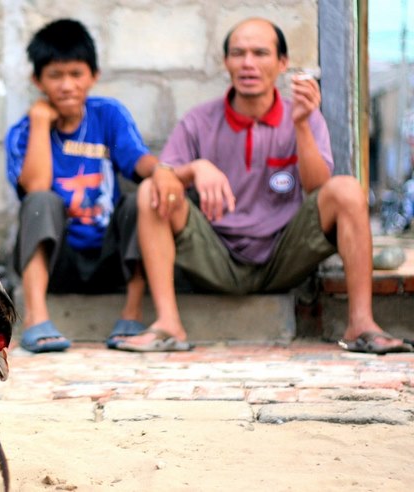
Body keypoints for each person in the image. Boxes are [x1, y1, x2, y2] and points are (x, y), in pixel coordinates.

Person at [113, 17, 414, 354]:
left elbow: (318, 188)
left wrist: (301, 126)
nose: (248, 63)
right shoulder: (199, 120)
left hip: (283, 255)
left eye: (260, 53)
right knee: (150, 193)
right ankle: (168, 324)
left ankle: (361, 324)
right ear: (225, 62)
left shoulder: (304, 116)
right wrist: (195, 169)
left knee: (346, 189)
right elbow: (162, 175)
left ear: (282, 63)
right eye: (238, 53)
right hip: (215, 256)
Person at [5, 18, 172, 353]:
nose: (67, 85)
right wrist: (40, 122)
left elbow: (135, 160)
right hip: (58, 260)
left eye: (76, 74)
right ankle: (36, 318)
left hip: (110, 256)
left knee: (137, 199)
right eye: (55, 75)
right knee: (40, 201)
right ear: (37, 80)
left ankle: (132, 314)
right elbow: (36, 187)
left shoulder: (107, 115)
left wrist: (161, 171)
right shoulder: (24, 132)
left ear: (93, 76)